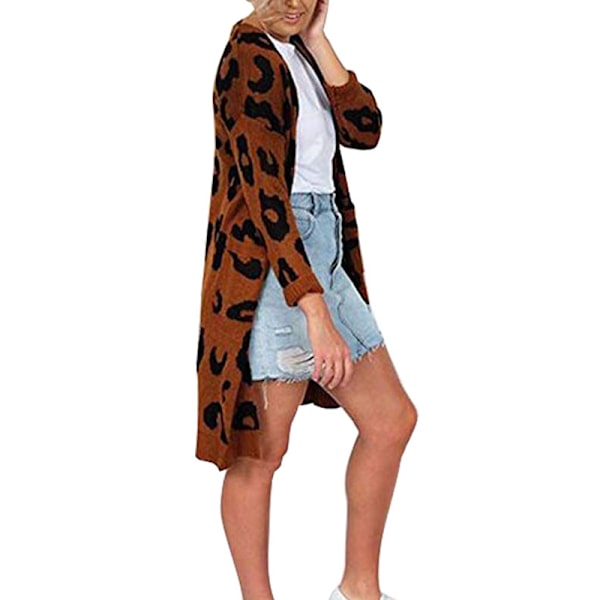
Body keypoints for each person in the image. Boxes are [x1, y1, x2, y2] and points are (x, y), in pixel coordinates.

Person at [197, 2, 418, 599]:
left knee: (391, 421)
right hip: (270, 265)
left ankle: (359, 588)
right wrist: (312, 308)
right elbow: (264, 194)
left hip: (324, 251)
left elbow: (366, 128)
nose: (295, 1)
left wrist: (319, 41)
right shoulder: (248, 57)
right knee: (261, 453)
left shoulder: (298, 50)